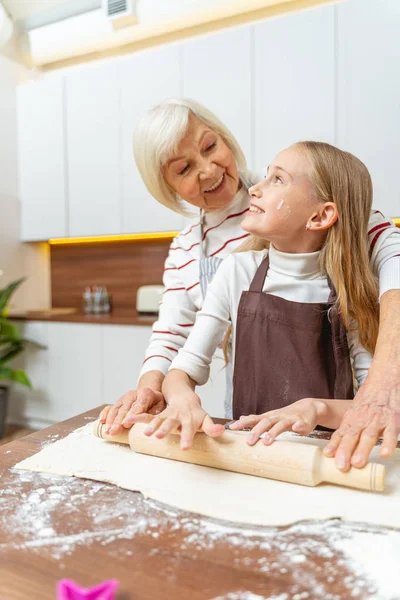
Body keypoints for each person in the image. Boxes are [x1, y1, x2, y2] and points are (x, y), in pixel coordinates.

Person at [100, 99, 400, 469]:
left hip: (326, 452)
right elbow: (173, 338)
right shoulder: (205, 253)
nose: (209, 170)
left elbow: (375, 240)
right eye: (184, 168)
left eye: (211, 146)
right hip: (250, 434)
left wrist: (384, 382)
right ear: (168, 186)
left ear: (320, 216)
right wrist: (158, 389)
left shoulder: (305, 186)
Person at [136, 142, 380, 457]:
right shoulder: (236, 270)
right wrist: (182, 398)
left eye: (277, 180)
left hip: (326, 456)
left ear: (320, 215)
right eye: (264, 176)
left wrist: (316, 410)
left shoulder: (350, 290)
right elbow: (182, 370)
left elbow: (375, 404)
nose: (254, 189)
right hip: (249, 452)